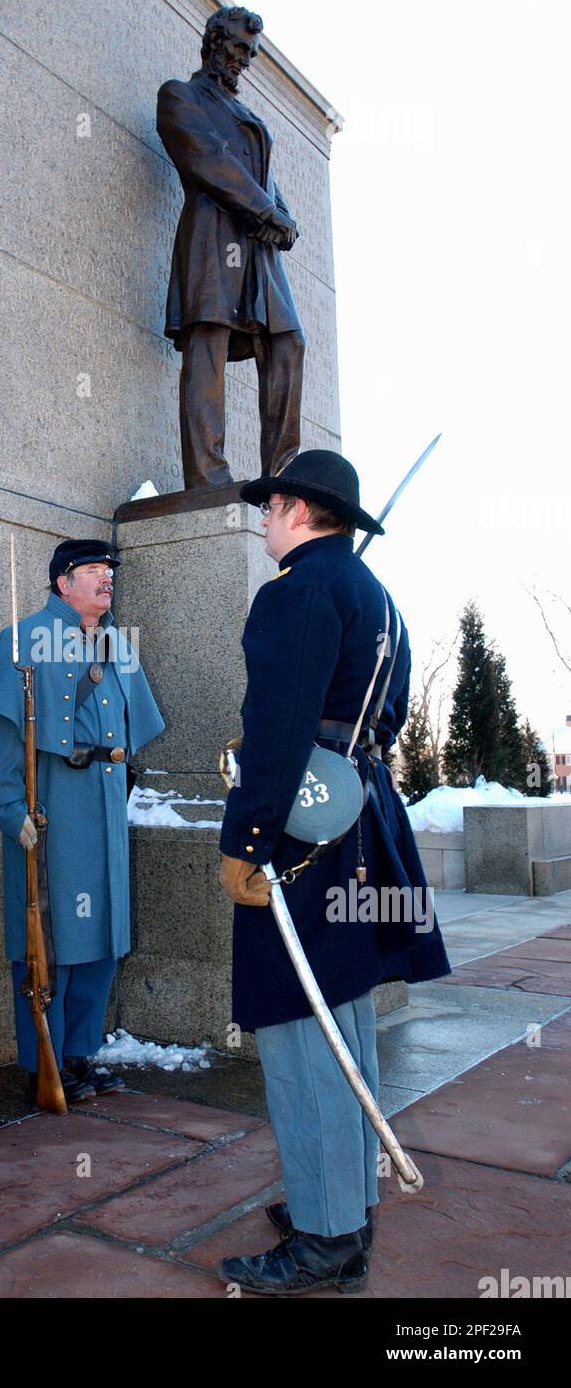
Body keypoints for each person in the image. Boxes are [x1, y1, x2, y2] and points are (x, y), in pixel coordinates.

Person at [216, 450, 451, 1295]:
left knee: (301, 1033)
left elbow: (278, 725)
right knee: (343, 1023)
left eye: (269, 506)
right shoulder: (371, 595)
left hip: (302, 838)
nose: (263, 520)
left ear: (296, 511)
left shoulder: (296, 592)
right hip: (359, 827)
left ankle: (325, 1237)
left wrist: (245, 839)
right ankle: (342, 1201)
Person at [0, 540, 164, 1103]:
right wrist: (9, 809)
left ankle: (80, 1053)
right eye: (93, 571)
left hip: (104, 805)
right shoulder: (22, 640)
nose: (107, 580)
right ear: (62, 583)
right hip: (51, 805)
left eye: (109, 572)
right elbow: (0, 736)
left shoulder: (117, 644)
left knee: (101, 936)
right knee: (47, 937)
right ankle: (41, 1060)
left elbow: (131, 729)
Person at [156, 5, 304, 487]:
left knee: (288, 343)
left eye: (251, 53)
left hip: (259, 252)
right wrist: (268, 213)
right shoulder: (180, 96)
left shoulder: (249, 114)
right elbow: (210, 163)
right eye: (239, 47)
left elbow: (264, 179)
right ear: (214, 41)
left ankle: (281, 480)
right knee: (208, 349)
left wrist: (285, 220)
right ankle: (209, 480)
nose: (243, 59)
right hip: (212, 240)